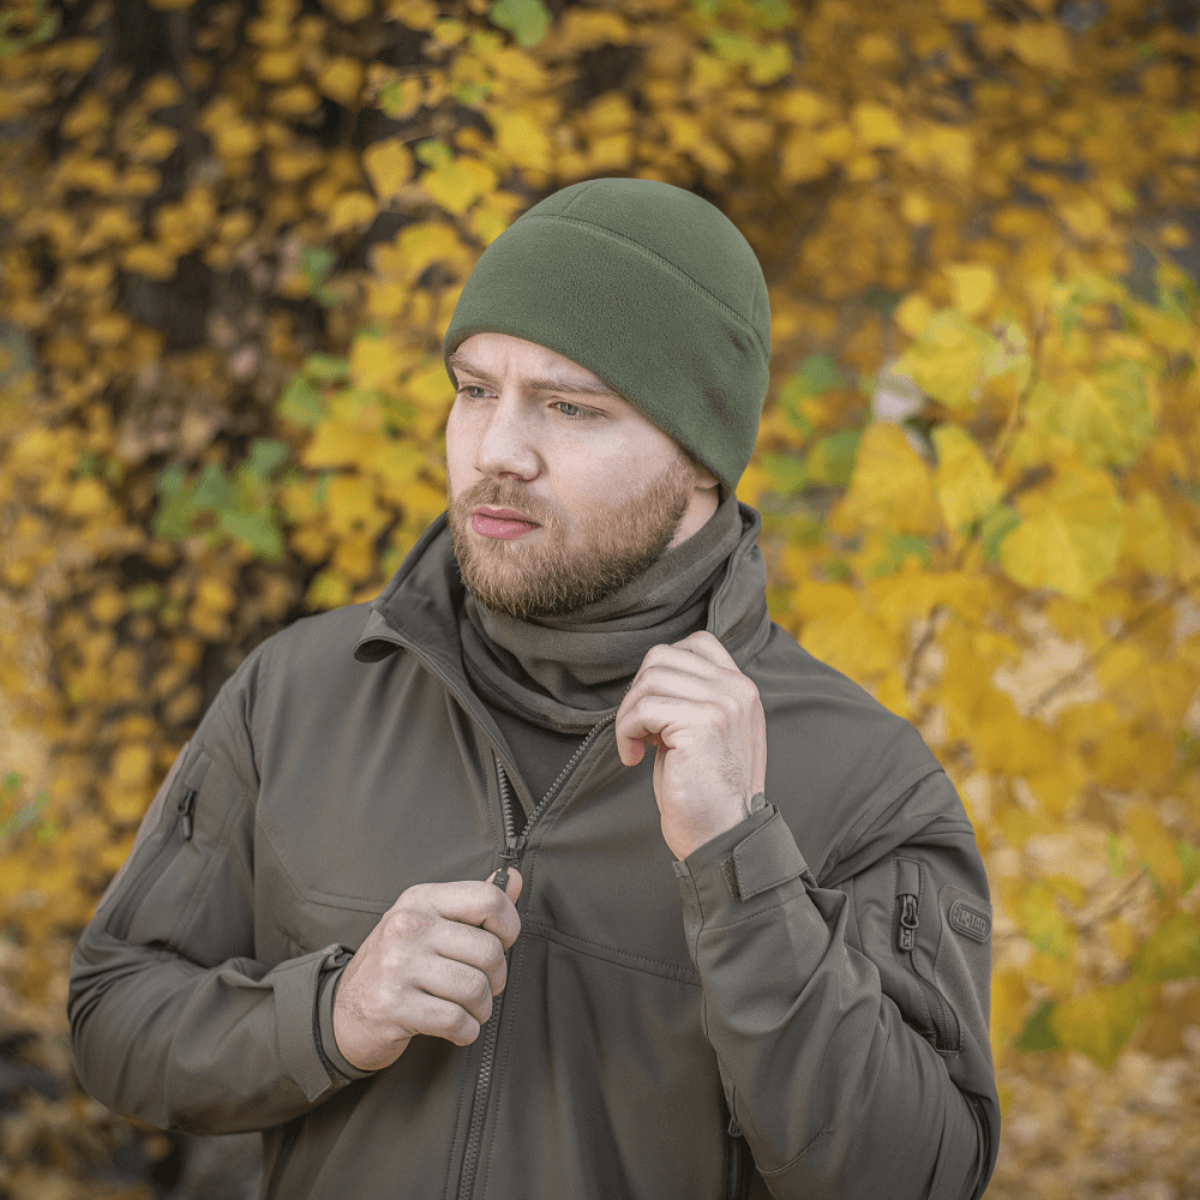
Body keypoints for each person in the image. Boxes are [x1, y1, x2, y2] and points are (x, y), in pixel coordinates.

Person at [69, 177, 1001, 1200]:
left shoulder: (865, 780)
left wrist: (743, 869)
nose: (496, 451)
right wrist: (332, 1017)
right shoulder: (301, 693)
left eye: (569, 406)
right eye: (474, 389)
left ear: (701, 459)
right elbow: (116, 1020)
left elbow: (923, 1177)